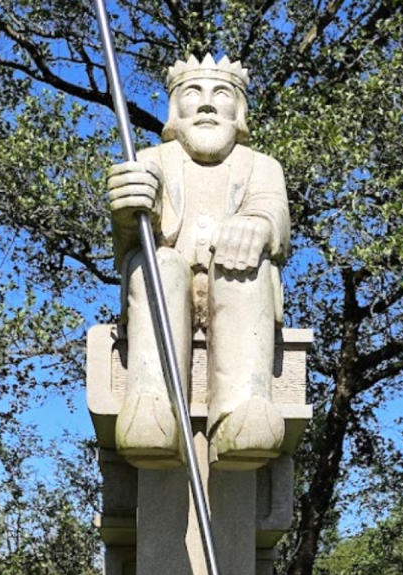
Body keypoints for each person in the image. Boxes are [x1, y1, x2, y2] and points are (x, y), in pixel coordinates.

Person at [108, 54, 290, 471]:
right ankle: (153, 404)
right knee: (160, 265)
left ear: (238, 110)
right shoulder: (152, 159)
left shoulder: (262, 166)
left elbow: (274, 216)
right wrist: (127, 209)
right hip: (171, 286)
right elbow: (130, 240)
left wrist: (257, 226)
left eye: (221, 94)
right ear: (176, 108)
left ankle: (240, 409)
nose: (207, 105)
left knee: (244, 266)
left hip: (236, 288)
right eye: (194, 93)